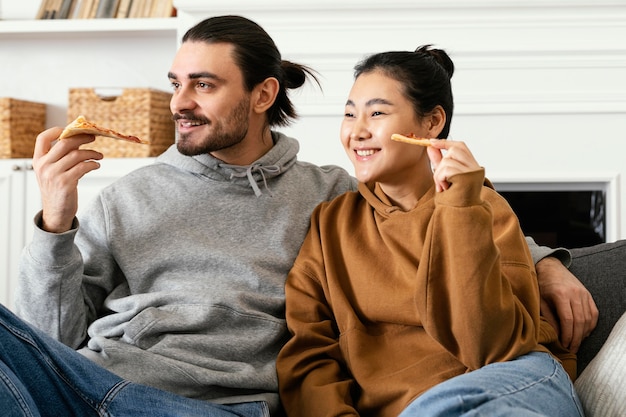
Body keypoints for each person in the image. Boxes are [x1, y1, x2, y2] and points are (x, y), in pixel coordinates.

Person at [1, 14, 593, 417]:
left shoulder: (330, 197)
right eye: (177, 83)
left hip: (205, 404)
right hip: (96, 381)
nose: (180, 102)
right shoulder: (124, 197)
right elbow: (52, 338)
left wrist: (547, 262)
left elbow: (446, 218)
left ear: (262, 96)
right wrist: (54, 225)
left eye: (203, 85)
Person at [276, 46, 584, 416]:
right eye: (348, 114)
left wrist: (460, 207)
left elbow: (492, 348)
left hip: (513, 381)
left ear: (432, 123)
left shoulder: (482, 208)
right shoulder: (331, 225)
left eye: (376, 113)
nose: (357, 131)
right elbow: (309, 354)